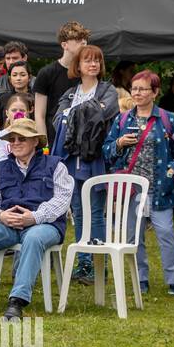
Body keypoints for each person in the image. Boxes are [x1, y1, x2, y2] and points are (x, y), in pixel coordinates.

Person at [0, 118, 72, 319]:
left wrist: (35, 217)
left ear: (35, 142)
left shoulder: (55, 165)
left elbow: (63, 200)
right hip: (9, 224)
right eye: (12, 139)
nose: (15, 143)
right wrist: (1, 215)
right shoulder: (1, 168)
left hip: (44, 224)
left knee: (33, 238)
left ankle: (17, 301)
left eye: (21, 139)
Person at [103, 71, 174, 297]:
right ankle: (139, 279)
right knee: (133, 237)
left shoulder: (167, 119)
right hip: (131, 189)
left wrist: (173, 170)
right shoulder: (122, 119)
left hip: (159, 188)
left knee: (166, 234)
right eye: (134, 88)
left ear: (155, 92)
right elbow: (107, 150)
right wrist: (120, 143)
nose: (137, 93)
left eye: (143, 89)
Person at [50, 44, 119, 281]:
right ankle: (84, 263)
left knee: (96, 210)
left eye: (97, 60)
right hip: (72, 159)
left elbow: (101, 116)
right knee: (78, 211)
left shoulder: (108, 91)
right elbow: (58, 120)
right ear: (77, 65)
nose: (93, 64)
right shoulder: (70, 93)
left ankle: (99, 264)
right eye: (87, 60)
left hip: (96, 158)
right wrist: (80, 115)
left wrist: (76, 116)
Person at [33, 21, 91, 139]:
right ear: (64, 45)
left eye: (84, 39)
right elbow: (39, 115)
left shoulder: (88, 73)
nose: (83, 43)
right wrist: (44, 147)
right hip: (54, 138)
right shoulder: (46, 73)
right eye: (78, 39)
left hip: (81, 139)